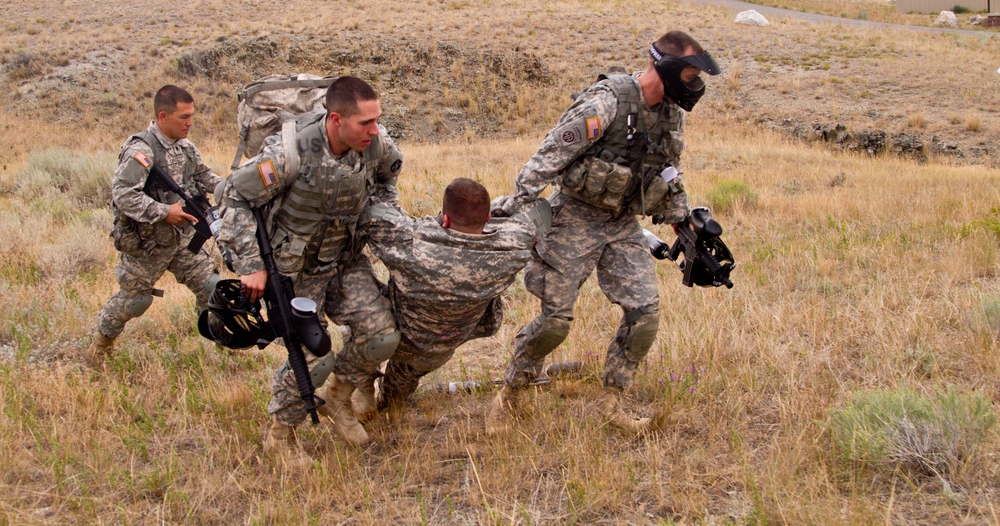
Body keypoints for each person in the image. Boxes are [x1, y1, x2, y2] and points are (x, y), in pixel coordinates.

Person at [487, 30, 720, 434]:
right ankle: (510, 392)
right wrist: (523, 214)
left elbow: (669, 170)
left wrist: (685, 225)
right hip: (572, 218)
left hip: (621, 224)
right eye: (688, 75)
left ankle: (613, 402)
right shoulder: (607, 102)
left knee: (645, 315)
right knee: (555, 322)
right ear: (663, 67)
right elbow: (545, 159)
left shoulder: (669, 114)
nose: (694, 86)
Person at [217, 75, 402, 464]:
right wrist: (251, 266)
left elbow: (388, 180)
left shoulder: (377, 145)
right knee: (315, 357)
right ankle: (280, 435)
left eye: (377, 120)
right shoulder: (288, 154)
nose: (375, 129)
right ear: (336, 120)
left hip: (344, 260)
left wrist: (379, 217)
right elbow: (234, 196)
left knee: (383, 336)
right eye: (365, 123)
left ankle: (338, 398)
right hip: (295, 272)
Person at [360, 178, 550, 410]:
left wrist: (432, 223)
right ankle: (390, 402)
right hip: (446, 344)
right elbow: (539, 209)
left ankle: (365, 384)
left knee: (359, 292)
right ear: (488, 218)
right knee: (401, 386)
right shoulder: (512, 247)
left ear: (446, 218)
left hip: (400, 339)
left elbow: (374, 212)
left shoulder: (411, 242)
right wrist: (501, 212)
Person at [84, 85, 223, 367]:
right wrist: (163, 212)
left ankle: (221, 342)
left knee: (213, 287)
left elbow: (207, 177)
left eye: (191, 115)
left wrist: (236, 189)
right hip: (149, 244)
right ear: (163, 116)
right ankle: (100, 346)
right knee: (134, 302)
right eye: (183, 117)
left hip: (183, 240)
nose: (190, 122)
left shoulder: (186, 148)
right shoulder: (141, 150)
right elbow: (123, 195)